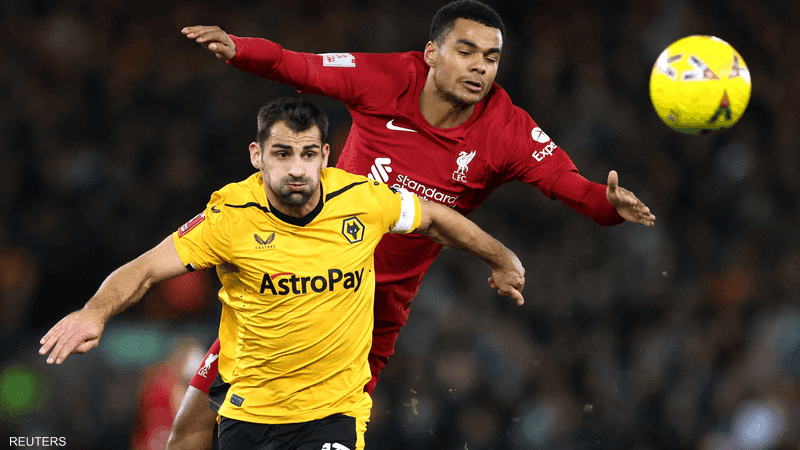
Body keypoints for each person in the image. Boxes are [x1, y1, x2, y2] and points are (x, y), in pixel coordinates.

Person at [172, 0, 656, 447]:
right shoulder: (385, 79)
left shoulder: (506, 130)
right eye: (465, 51)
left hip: (368, 316)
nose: (479, 67)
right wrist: (238, 48)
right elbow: (299, 66)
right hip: (288, 281)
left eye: (491, 58)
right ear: (431, 53)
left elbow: (571, 186)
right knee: (190, 429)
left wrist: (609, 205)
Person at [38, 97, 525, 450]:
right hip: (250, 409)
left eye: (309, 154)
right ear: (257, 156)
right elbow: (145, 269)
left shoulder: (362, 200)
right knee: (186, 433)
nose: (297, 168)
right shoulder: (230, 217)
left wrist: (499, 256)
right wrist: (94, 313)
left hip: (332, 412)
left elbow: (434, 217)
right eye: (282, 153)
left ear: (325, 157)